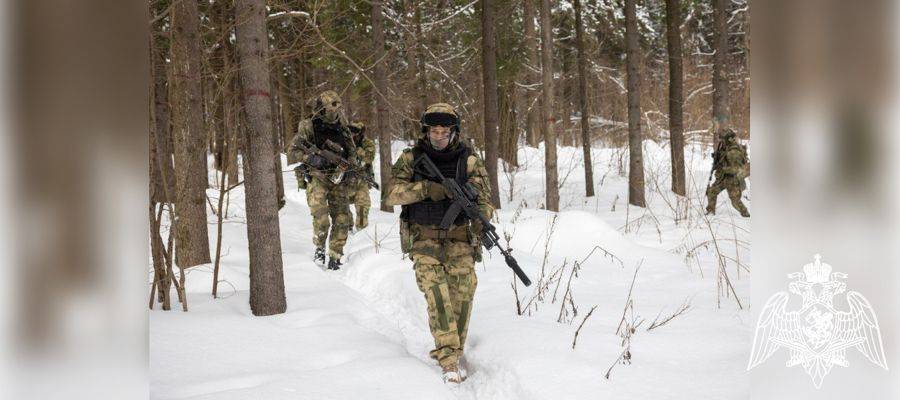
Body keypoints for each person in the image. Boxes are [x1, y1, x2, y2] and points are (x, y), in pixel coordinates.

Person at [384, 103, 493, 384]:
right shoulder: (411, 158)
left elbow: (483, 200)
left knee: (463, 296)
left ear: (454, 132)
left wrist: (482, 220)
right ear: (426, 131)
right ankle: (448, 360)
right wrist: (427, 189)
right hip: (424, 241)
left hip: (459, 241)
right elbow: (391, 195)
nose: (440, 137)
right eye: (434, 132)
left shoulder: (469, 161)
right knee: (438, 297)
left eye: (445, 132)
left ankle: (453, 349)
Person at [288, 90, 357, 270]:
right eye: (330, 107)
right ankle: (319, 248)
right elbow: (292, 151)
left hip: (338, 179)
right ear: (322, 108)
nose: (335, 111)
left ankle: (335, 255)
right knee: (321, 219)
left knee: (342, 219)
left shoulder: (342, 127)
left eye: (337, 107)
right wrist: (311, 159)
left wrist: (350, 168)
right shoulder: (309, 125)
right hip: (317, 177)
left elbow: (352, 152)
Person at [706, 128, 750, 217]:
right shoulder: (726, 148)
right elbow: (724, 159)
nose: (721, 141)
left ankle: (745, 214)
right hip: (724, 177)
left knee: (735, 202)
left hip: (732, 180)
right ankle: (710, 211)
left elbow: (737, 169)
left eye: (722, 139)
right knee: (712, 191)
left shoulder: (734, 152)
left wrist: (723, 168)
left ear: (728, 139)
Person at [348, 122, 375, 230]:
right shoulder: (344, 141)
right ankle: (348, 229)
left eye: (355, 132)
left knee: (362, 207)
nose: (353, 134)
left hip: (361, 179)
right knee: (341, 208)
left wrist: (357, 150)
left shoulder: (367, 143)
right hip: (345, 180)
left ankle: (361, 233)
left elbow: (369, 158)